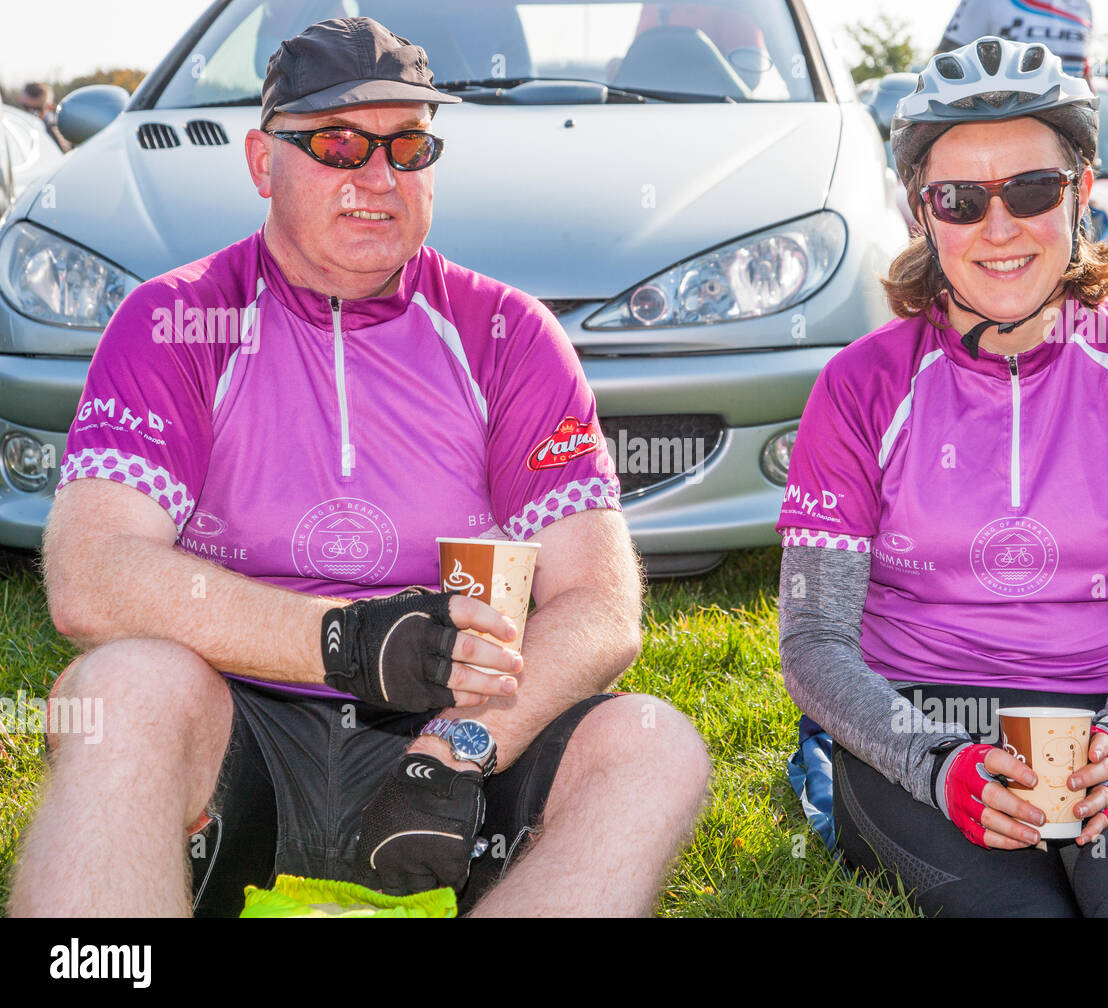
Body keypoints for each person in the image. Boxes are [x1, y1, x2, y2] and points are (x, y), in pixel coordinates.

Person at [9, 16, 710, 918]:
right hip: (236, 718)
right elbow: (91, 577)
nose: (378, 178)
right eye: (339, 144)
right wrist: (348, 644)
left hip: (448, 749)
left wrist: (459, 745)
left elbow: (600, 604)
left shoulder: (508, 333)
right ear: (264, 163)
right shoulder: (175, 321)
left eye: (409, 145)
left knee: (655, 742)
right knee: (117, 690)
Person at [778, 36, 1108, 917]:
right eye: (960, 199)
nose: (999, 230)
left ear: (1079, 191)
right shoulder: (860, 386)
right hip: (919, 723)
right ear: (924, 215)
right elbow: (813, 642)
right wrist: (932, 760)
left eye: (1032, 190)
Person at [937, 0, 1092, 78]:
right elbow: (942, 67)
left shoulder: (1084, 6)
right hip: (1001, 130)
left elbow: (1084, 77)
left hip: (1065, 129)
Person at [17, 82, 71, 152]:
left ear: (49, 107)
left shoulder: (57, 131)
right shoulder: (16, 126)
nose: (29, 114)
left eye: (35, 111)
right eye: (25, 107)